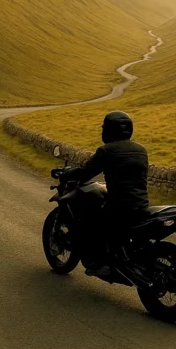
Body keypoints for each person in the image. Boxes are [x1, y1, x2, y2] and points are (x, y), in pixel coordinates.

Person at [64, 111, 150, 277]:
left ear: (109, 130)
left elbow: (86, 173)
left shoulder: (106, 150)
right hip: (142, 206)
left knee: (89, 222)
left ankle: (96, 263)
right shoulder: (141, 149)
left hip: (119, 208)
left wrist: (70, 174)